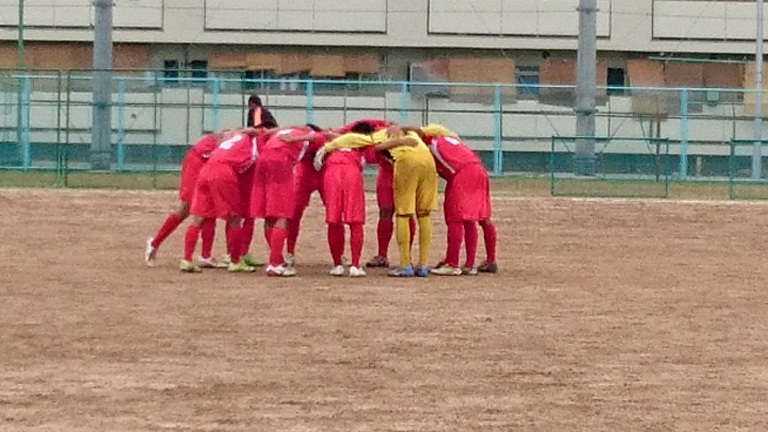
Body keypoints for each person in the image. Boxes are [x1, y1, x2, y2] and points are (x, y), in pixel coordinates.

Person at [317, 122, 438, 277]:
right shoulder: (409, 131)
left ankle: (405, 265)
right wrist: (402, 131)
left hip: (406, 163)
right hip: (428, 161)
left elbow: (352, 139)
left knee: (403, 214)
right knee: (423, 214)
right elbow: (429, 130)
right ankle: (422, 264)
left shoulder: (375, 136)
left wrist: (327, 147)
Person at [409, 123, 498, 275]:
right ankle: (474, 264)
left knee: (455, 218)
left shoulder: (430, 142)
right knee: (476, 218)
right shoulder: (449, 140)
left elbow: (417, 132)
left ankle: (452, 263)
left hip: (462, 174)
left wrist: (401, 129)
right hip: (478, 170)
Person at [336, 119, 416, 268]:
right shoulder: (366, 141)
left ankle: (407, 257)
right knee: (385, 212)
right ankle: (382, 255)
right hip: (386, 174)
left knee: (406, 213)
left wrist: (399, 127)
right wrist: (339, 133)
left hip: (405, 173)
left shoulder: (382, 130)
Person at [251, 124, 328, 277]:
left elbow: (264, 134)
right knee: (282, 214)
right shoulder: (306, 134)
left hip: (263, 159)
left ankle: (277, 259)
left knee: (270, 214)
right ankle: (274, 264)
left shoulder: (285, 130)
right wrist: (298, 139)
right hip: (281, 161)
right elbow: (321, 136)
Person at [181, 131, 260, 273]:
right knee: (235, 218)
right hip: (223, 171)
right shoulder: (252, 142)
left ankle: (186, 259)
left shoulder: (234, 136)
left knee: (198, 218)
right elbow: (248, 163)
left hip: (206, 169)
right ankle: (235, 261)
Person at [145, 130, 226, 268]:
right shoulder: (239, 135)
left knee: (209, 208)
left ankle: (206, 255)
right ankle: (154, 243)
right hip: (197, 162)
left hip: (207, 162)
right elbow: (222, 136)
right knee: (186, 209)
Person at [314, 124, 370, 277]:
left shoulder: (333, 142)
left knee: (334, 220)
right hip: (351, 172)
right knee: (355, 221)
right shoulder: (363, 144)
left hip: (331, 172)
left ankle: (337, 264)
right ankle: (355, 265)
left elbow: (316, 137)